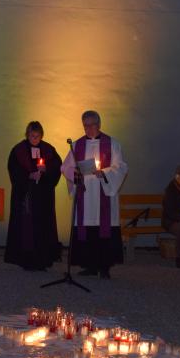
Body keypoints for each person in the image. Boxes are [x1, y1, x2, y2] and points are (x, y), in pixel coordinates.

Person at [61, 110, 129, 279]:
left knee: (103, 230)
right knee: (87, 230)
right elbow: (65, 167)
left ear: (99, 124)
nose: (88, 129)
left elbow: (120, 167)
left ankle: (104, 267)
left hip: (103, 194)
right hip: (85, 195)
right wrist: (75, 173)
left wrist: (104, 173)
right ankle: (89, 266)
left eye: (91, 125)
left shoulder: (112, 144)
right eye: (85, 126)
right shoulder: (77, 145)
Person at [4, 121, 63, 271]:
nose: (34, 139)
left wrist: (46, 169)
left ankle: (43, 260)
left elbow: (57, 166)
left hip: (43, 197)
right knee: (26, 228)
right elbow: (14, 169)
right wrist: (28, 175)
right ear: (27, 134)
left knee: (43, 227)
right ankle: (26, 260)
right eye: (31, 135)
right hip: (26, 195)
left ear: (41, 135)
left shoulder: (48, 150)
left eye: (37, 136)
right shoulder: (18, 150)